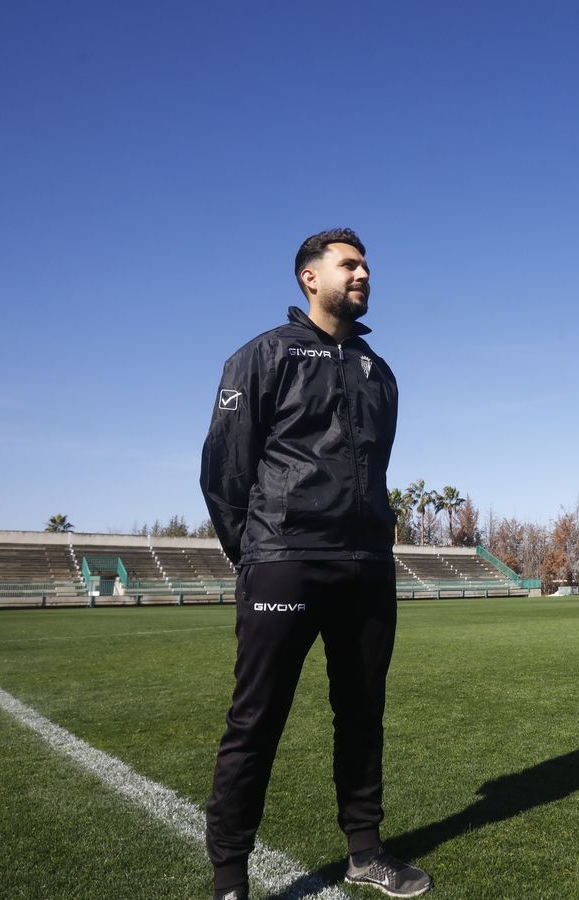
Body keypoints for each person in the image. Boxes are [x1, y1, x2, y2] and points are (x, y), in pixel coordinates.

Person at [199, 228, 432, 899]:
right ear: (309, 277)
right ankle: (229, 879)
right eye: (349, 265)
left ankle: (365, 851)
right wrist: (257, 552)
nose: (363, 274)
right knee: (257, 718)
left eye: (366, 266)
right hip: (284, 560)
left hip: (364, 564)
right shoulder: (262, 356)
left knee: (361, 712)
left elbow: (375, 464)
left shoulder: (377, 372)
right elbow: (224, 469)